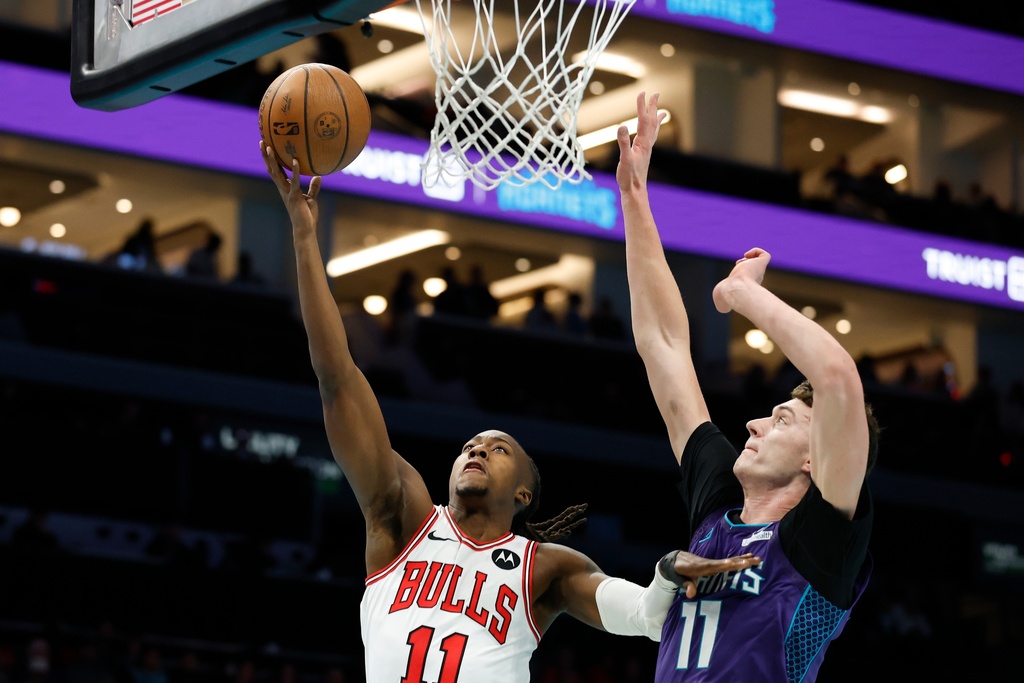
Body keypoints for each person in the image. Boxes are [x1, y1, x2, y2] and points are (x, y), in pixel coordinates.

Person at [260, 141, 760, 682]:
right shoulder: (400, 516)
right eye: (470, 446)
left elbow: (645, 618)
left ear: (523, 493)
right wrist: (305, 235)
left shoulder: (544, 567)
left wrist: (665, 572)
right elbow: (337, 378)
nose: (477, 450)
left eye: (499, 449)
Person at [616, 92, 879, 682]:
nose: (754, 425)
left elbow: (837, 380)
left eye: (783, 419)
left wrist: (743, 294)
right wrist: (635, 201)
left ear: (819, 459)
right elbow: (663, 346)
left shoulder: (821, 539)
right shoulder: (717, 511)